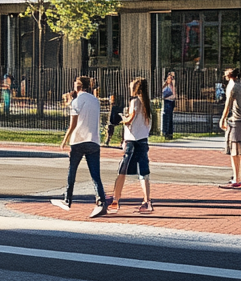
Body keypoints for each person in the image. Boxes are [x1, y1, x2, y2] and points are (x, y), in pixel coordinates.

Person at [53, 76, 107, 219]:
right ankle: (102, 201)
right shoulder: (95, 100)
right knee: (96, 175)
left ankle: (67, 199)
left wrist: (64, 140)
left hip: (78, 141)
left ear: (79, 86)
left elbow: (73, 124)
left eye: (75, 83)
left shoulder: (77, 101)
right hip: (93, 140)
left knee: (72, 171)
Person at [108, 77, 154, 215]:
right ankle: (147, 201)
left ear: (135, 89)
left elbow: (130, 118)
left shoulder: (134, 102)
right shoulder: (147, 104)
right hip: (143, 139)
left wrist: (122, 118)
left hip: (131, 141)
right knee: (143, 172)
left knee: (122, 170)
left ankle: (116, 200)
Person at [219, 67, 241, 188]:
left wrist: (222, 119)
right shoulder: (239, 86)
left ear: (228, 76)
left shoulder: (232, 87)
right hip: (240, 120)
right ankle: (239, 177)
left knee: (239, 150)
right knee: (236, 150)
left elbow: (228, 104)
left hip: (238, 121)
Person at [161, 71, 177, 140]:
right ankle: (165, 132)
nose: (171, 79)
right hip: (166, 101)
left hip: (171, 102)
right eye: (170, 78)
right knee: (166, 116)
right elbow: (163, 94)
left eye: (172, 78)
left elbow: (174, 95)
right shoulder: (165, 86)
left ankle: (169, 132)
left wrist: (173, 85)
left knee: (170, 117)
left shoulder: (172, 86)